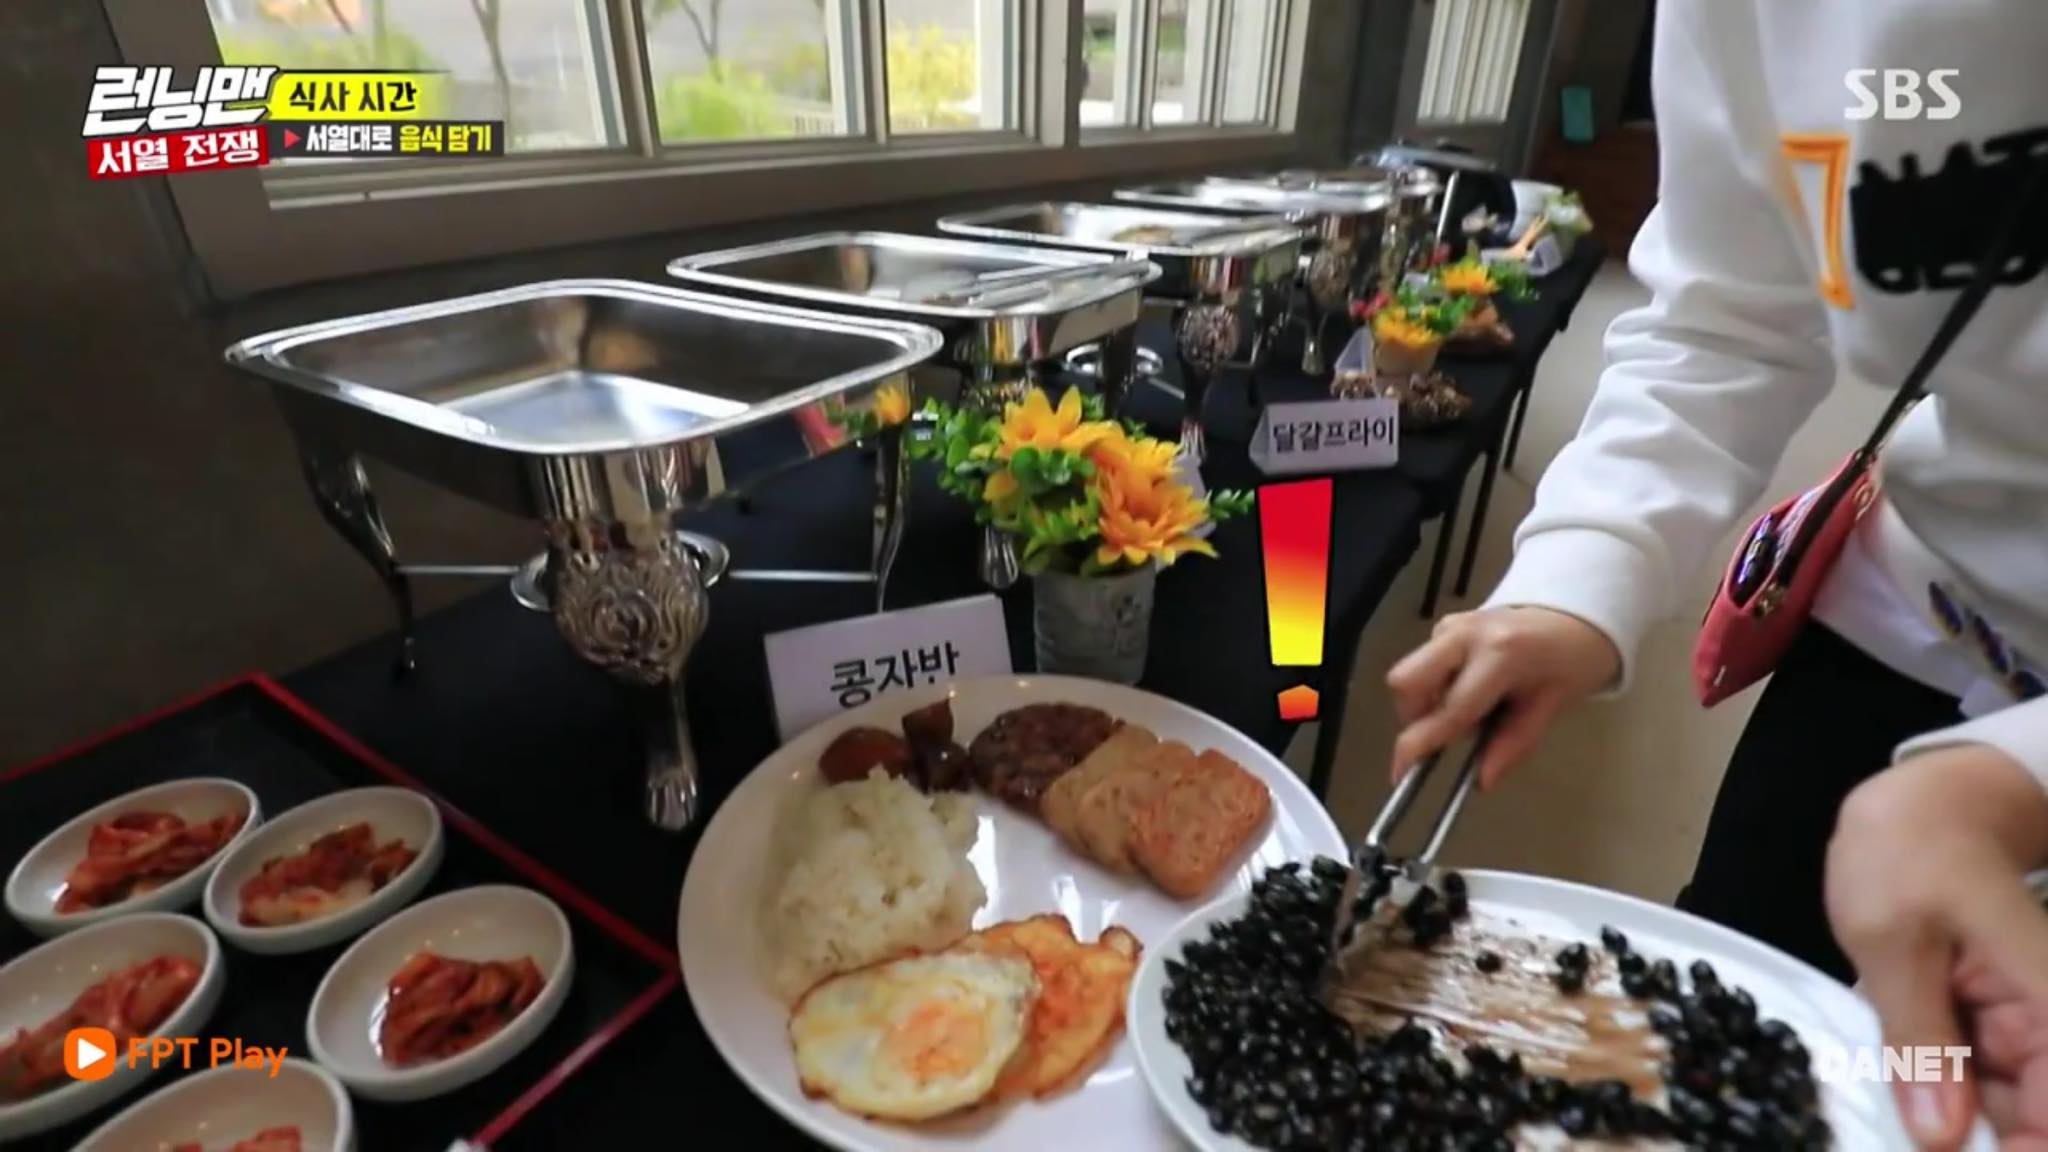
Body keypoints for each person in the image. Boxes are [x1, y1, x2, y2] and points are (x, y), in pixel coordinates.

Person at [1384, 3, 2048, 1146]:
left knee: (1944, 1100)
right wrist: (1578, 575)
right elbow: (1721, 319)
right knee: (1738, 1026)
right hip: (1913, 615)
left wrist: (2016, 775)